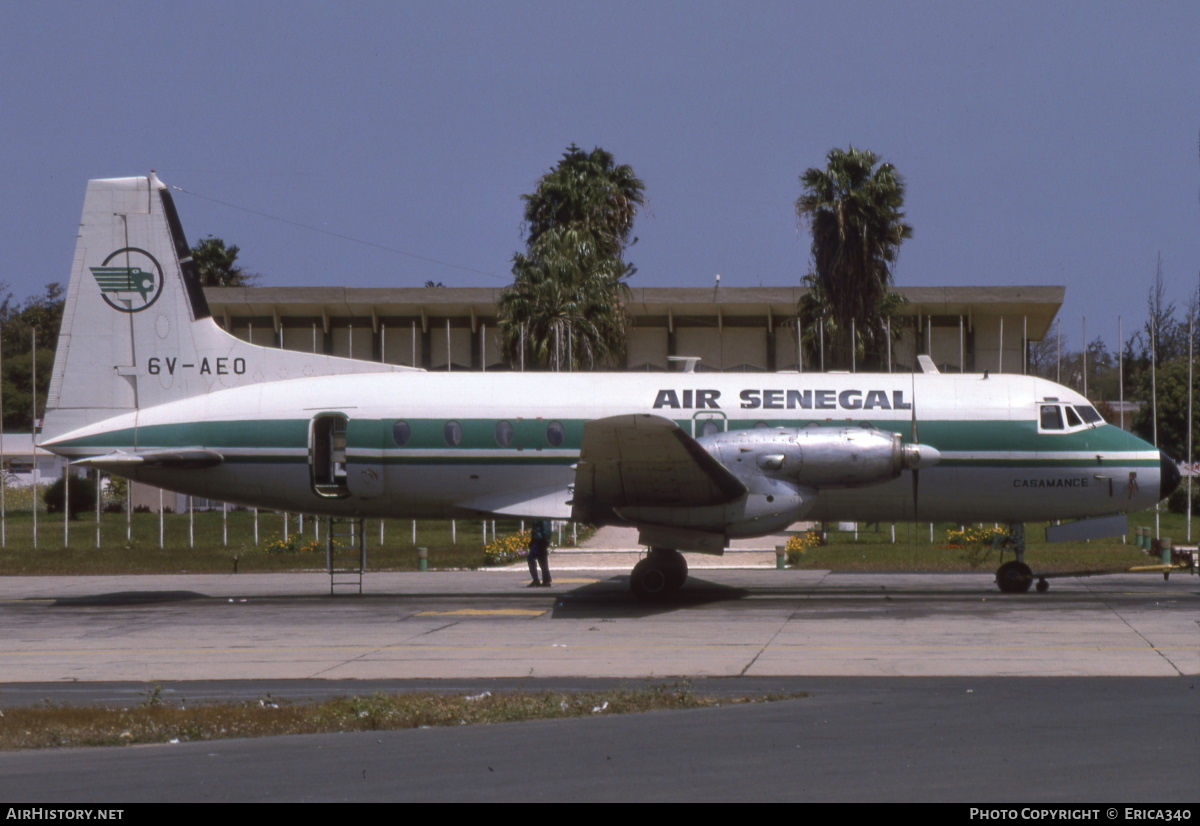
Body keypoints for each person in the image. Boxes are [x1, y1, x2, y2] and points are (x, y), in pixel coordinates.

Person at [527, 519, 552, 587]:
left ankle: (536, 580)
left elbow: (546, 529)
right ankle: (546, 580)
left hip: (539, 540)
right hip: (538, 540)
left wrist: (545, 541)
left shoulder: (542, 516)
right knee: (542, 560)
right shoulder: (539, 515)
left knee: (531, 558)